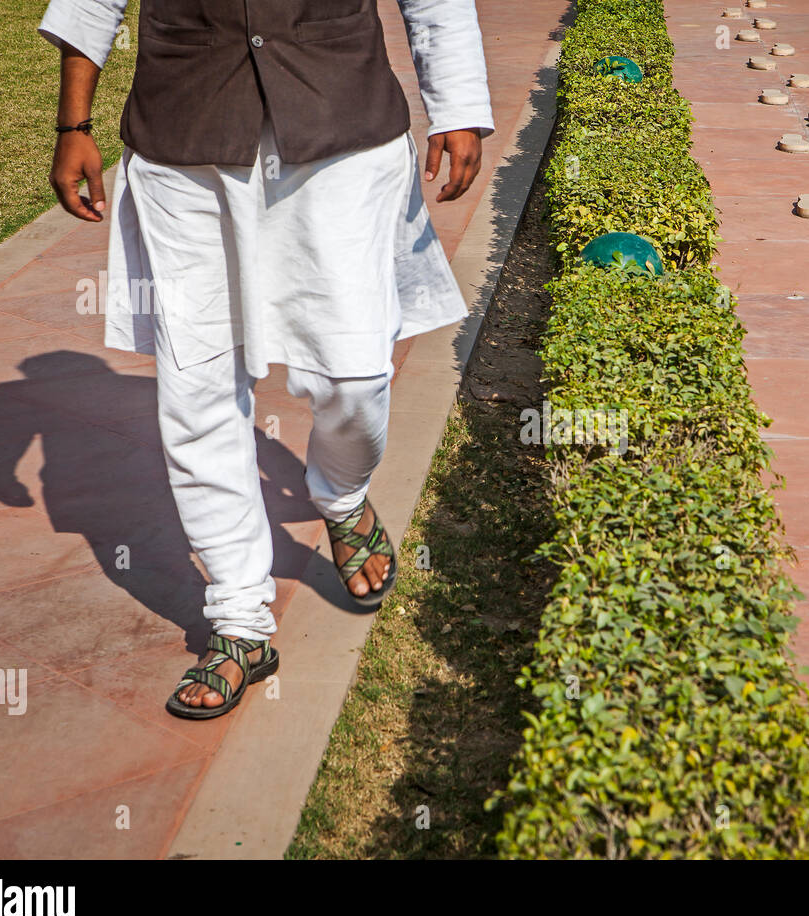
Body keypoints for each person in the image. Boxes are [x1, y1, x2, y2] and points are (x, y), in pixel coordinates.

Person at [38, 0, 493, 719]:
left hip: (340, 136)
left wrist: (458, 104)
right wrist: (73, 126)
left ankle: (341, 495)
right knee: (197, 392)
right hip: (184, 140)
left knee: (353, 375)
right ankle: (240, 620)